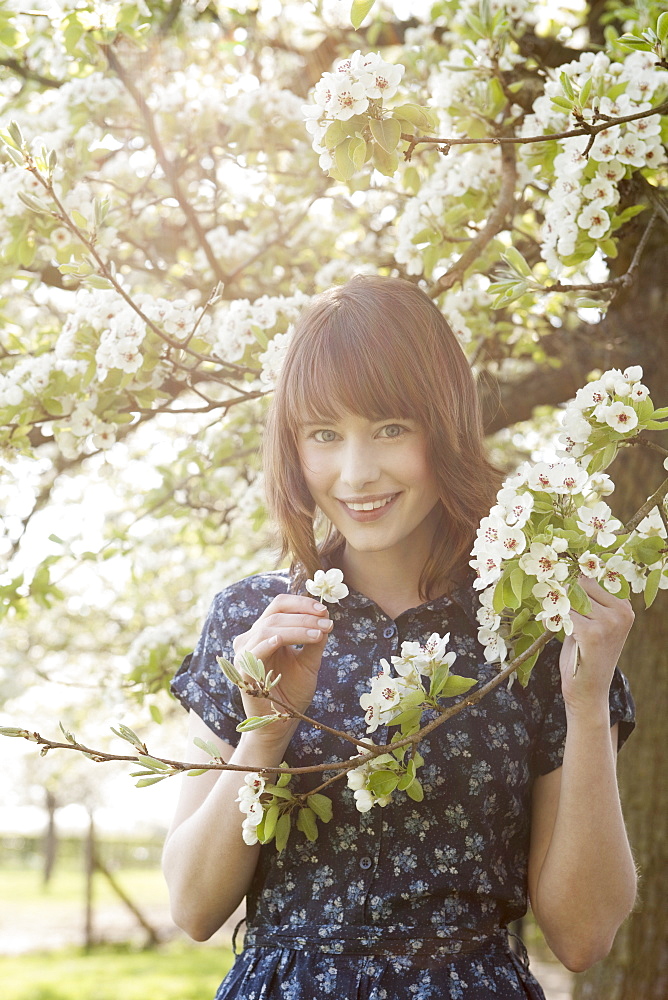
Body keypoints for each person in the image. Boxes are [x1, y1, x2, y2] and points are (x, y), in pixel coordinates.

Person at [163, 275, 637, 1000]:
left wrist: (587, 701)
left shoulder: (532, 625)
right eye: (325, 435)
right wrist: (266, 732)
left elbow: (583, 936)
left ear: (441, 426)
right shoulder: (254, 620)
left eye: (389, 428)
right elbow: (193, 907)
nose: (356, 474)